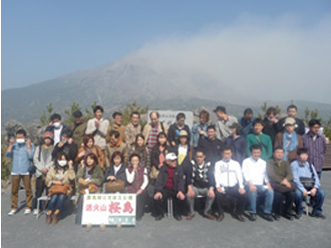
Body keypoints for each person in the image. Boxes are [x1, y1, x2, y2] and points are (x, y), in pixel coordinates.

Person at [213, 146, 248, 222]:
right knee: (217, 194)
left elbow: (239, 175)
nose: (226, 155)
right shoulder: (218, 164)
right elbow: (216, 175)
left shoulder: (236, 164)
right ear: (222, 154)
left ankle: (238, 213)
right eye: (225, 154)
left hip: (233, 187)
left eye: (228, 153)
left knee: (244, 195)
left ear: (231, 154)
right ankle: (221, 213)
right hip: (223, 187)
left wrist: (241, 186)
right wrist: (217, 186)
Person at [290, 148, 326, 219]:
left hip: (310, 185)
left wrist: (315, 188)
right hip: (299, 186)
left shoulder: (309, 164)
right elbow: (295, 179)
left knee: (321, 193)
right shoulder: (294, 165)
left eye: (306, 155)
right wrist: (303, 190)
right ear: (298, 156)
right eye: (302, 155)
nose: (304, 157)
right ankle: (299, 211)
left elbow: (316, 177)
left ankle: (316, 211)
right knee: (298, 194)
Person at [6, 129, 35, 216]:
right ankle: (14, 207)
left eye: (21, 137)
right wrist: (10, 145)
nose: (19, 139)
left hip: (26, 170)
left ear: (25, 137)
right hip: (15, 170)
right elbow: (8, 155)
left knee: (28, 189)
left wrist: (29, 146)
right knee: (14, 190)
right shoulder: (14, 145)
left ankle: (28, 206)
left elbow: (31, 156)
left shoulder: (31, 145)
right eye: (17, 137)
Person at [242, 145, 274, 222]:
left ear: (260, 153)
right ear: (251, 153)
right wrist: (250, 184)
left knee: (270, 191)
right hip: (249, 184)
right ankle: (252, 212)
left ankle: (267, 212)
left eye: (258, 152)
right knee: (253, 191)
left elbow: (265, 175)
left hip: (260, 185)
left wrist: (268, 184)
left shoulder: (263, 162)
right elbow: (244, 174)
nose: (256, 154)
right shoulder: (246, 161)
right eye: (254, 152)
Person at [153, 153, 186, 221]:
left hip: (175, 188)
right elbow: (159, 181)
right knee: (157, 197)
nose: (174, 162)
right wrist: (159, 191)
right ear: (167, 161)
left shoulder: (179, 168)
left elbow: (181, 181)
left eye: (175, 160)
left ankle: (177, 213)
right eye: (172, 160)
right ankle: (160, 214)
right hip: (165, 189)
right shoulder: (163, 169)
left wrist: (180, 191)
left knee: (181, 197)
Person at [266, 147, 296, 221]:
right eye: (277, 152)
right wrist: (282, 182)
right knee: (278, 195)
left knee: (291, 194)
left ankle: (287, 212)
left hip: (284, 184)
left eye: (281, 153)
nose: (279, 154)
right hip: (275, 183)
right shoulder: (270, 162)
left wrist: (285, 180)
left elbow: (290, 174)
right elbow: (271, 175)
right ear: (274, 154)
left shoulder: (285, 163)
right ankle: (277, 212)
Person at [45, 152, 75, 225]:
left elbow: (72, 178)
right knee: (54, 197)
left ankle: (56, 213)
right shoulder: (53, 168)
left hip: (64, 189)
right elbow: (47, 180)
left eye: (64, 159)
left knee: (61, 197)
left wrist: (71, 167)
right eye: (60, 159)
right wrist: (54, 182)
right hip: (55, 188)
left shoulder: (68, 169)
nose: (62, 161)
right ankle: (49, 213)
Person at [75, 153, 105, 224]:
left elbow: (101, 179)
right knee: (81, 197)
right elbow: (78, 177)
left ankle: (93, 218)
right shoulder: (84, 168)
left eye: (91, 159)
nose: (89, 161)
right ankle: (80, 218)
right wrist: (82, 180)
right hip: (84, 187)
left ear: (94, 160)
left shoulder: (98, 168)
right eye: (88, 159)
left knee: (92, 197)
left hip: (94, 187)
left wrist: (91, 180)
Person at [186, 150, 215, 221]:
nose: (198, 158)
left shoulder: (208, 165)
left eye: (200, 157)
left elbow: (211, 178)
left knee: (212, 195)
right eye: (197, 156)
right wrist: (190, 189)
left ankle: (207, 212)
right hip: (195, 187)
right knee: (189, 195)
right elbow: (188, 177)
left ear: (204, 157)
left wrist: (211, 189)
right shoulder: (192, 164)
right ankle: (191, 212)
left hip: (206, 187)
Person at [32, 132, 54, 215]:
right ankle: (37, 207)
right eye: (46, 138)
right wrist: (42, 168)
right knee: (39, 191)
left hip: (49, 173)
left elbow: (53, 160)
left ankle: (47, 207)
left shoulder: (53, 148)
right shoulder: (39, 148)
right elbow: (35, 159)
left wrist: (47, 168)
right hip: (40, 173)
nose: (47, 140)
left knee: (49, 191)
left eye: (49, 138)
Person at [125, 153, 149, 221]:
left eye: (136, 160)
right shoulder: (128, 169)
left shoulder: (143, 169)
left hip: (141, 189)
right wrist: (133, 170)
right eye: (133, 160)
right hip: (131, 189)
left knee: (141, 196)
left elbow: (146, 181)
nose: (135, 162)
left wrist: (141, 189)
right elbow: (130, 180)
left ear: (138, 161)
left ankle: (139, 214)